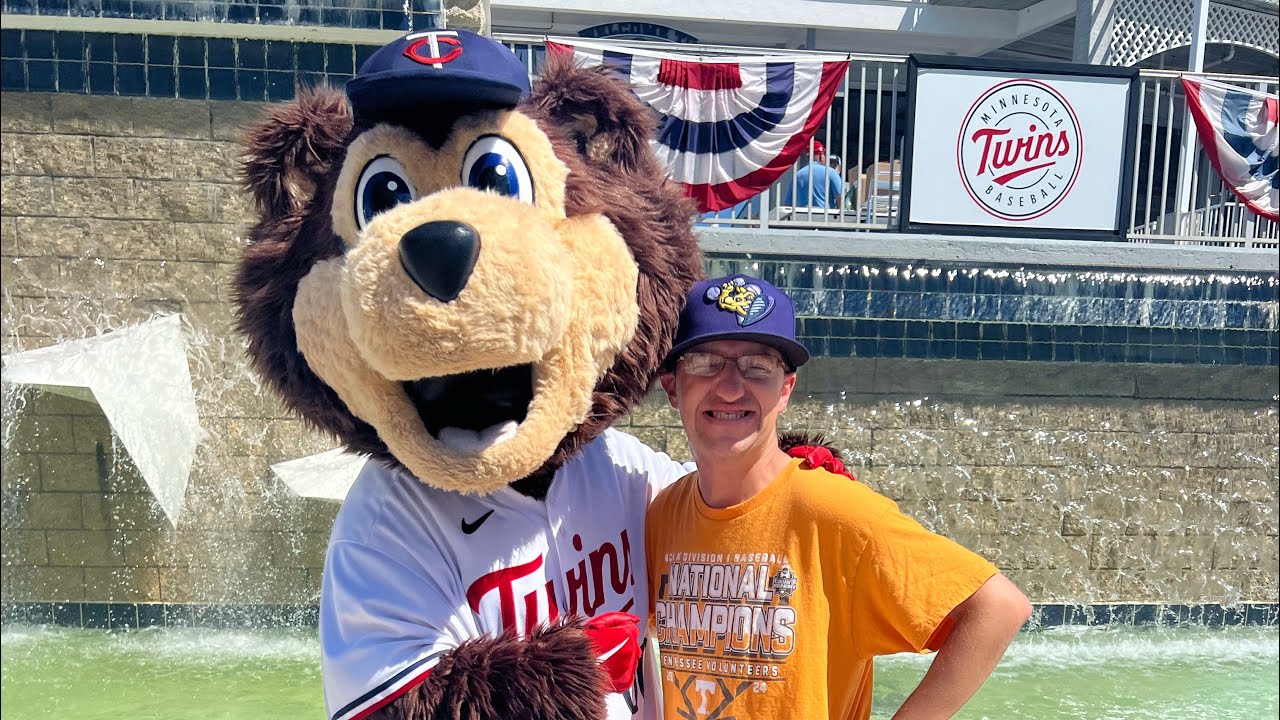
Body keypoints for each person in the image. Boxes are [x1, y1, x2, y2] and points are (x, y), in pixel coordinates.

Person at [646, 274, 1032, 720]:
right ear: (672, 386)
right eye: (706, 362)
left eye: (757, 367)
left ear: (785, 389)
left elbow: (998, 608)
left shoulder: (830, 509)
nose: (731, 387)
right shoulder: (665, 512)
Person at [781, 141, 844, 209]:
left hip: (800, 217)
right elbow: (841, 198)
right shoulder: (830, 172)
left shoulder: (797, 176)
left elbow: (787, 204)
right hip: (825, 217)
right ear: (821, 156)